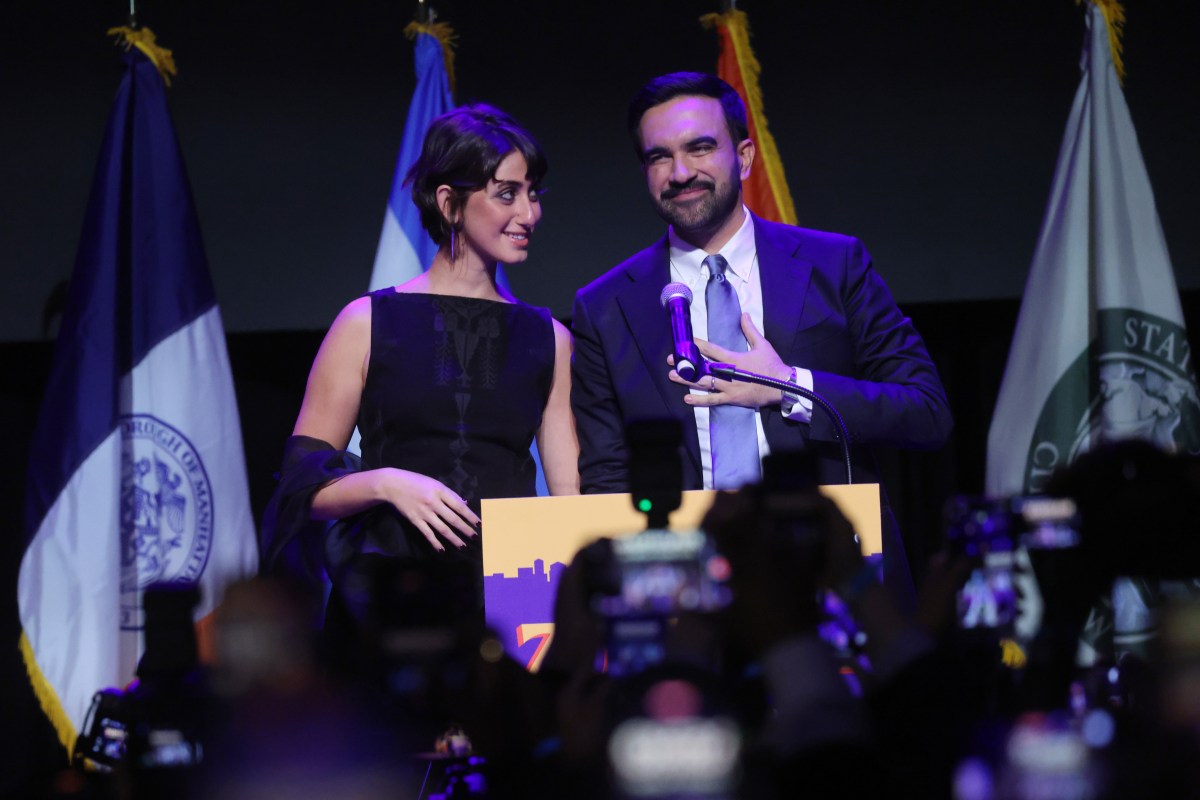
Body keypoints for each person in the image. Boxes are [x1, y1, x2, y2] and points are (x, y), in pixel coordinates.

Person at [569, 72, 952, 606]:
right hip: (690, 590)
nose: (681, 173)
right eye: (660, 157)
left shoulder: (835, 264)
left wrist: (789, 387)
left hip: (835, 573)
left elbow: (926, 411)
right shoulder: (605, 304)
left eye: (700, 148)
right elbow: (608, 475)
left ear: (744, 156)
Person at [262, 104, 579, 640]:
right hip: (387, 600)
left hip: (506, 609)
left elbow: (569, 506)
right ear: (449, 202)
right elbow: (298, 490)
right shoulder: (366, 322)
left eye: (533, 193)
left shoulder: (550, 338)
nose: (529, 212)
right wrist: (385, 483)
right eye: (507, 193)